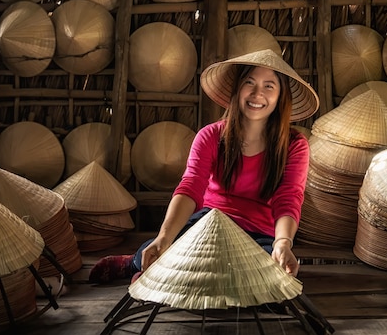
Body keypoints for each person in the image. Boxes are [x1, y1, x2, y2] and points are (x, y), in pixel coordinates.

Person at [89, 48, 320, 284]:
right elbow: (191, 186)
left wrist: (282, 244)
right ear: (237, 89)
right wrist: (164, 237)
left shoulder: (295, 145)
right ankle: (134, 264)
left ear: (281, 96)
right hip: (206, 224)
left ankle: (161, 277)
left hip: (258, 235)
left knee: (259, 277)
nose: (257, 93)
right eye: (249, 83)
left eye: (269, 86)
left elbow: (289, 198)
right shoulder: (210, 135)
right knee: (165, 247)